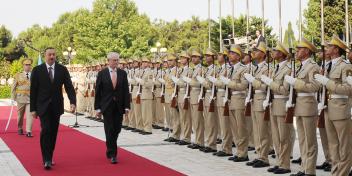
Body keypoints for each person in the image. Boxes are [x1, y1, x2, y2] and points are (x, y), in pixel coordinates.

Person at [30, 47, 76, 170]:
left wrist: (72, 102)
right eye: (49, 54)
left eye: (54, 54)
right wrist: (33, 109)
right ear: (45, 56)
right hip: (43, 106)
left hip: (56, 106)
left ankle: (50, 155)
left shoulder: (62, 69)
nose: (52, 57)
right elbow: (33, 91)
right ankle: (46, 159)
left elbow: (69, 87)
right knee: (46, 130)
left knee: (53, 132)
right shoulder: (37, 70)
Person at [315, 35, 352, 176]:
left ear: (336, 49)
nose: (326, 48)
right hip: (328, 108)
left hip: (340, 108)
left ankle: (342, 173)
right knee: (333, 145)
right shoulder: (327, 65)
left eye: (329, 46)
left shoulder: (345, 65)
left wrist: (327, 82)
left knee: (344, 145)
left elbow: (348, 89)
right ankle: (335, 172)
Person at [285, 38, 321, 176]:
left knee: (310, 141)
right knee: (303, 140)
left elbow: (314, 86)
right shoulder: (299, 66)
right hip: (299, 106)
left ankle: (310, 171)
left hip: (308, 105)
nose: (297, 51)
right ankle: (304, 168)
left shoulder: (313, 66)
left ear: (306, 51)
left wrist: (296, 82)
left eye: (299, 49)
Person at [94, 52, 130, 164]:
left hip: (119, 106)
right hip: (107, 106)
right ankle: (112, 153)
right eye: (114, 60)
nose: (116, 62)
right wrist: (98, 108)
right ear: (108, 61)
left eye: (117, 60)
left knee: (117, 129)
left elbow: (125, 91)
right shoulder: (102, 73)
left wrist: (127, 106)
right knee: (109, 129)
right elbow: (98, 92)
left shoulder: (123, 73)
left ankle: (111, 146)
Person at [11, 58, 34, 137]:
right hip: (20, 98)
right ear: (23, 66)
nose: (28, 66)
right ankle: (20, 127)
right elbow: (13, 87)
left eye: (29, 65)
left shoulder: (34, 75)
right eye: (26, 65)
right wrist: (13, 97)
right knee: (20, 115)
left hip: (31, 98)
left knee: (30, 114)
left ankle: (29, 131)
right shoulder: (18, 75)